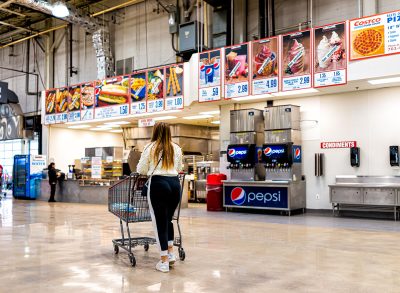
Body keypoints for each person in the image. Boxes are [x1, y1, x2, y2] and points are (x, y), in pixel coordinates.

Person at [136, 122, 183, 273]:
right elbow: (179, 168)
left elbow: (141, 169)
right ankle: (170, 254)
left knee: (159, 224)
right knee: (168, 220)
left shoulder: (150, 147)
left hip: (158, 184)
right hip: (175, 184)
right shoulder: (176, 147)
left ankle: (163, 262)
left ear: (155, 131)